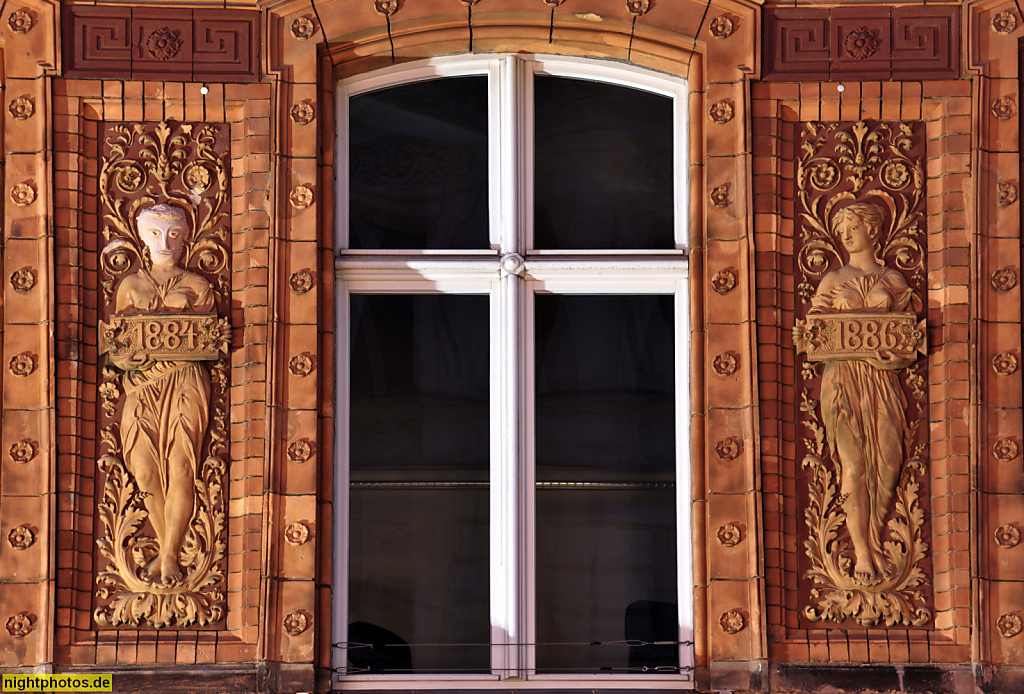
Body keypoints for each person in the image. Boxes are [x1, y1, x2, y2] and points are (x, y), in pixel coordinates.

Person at [803, 201, 921, 584]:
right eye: (842, 229)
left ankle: (876, 531)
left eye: (853, 226)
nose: (846, 234)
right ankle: (862, 553)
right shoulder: (833, 281)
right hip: (841, 382)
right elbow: (813, 335)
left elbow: (908, 341)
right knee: (852, 466)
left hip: (882, 382)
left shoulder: (894, 281)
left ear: (873, 230)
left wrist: (891, 359)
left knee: (888, 462)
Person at [110, 203, 215, 585]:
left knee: (182, 465)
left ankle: (170, 554)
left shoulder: (198, 286)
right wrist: (126, 359)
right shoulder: (130, 286)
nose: (164, 241)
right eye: (155, 233)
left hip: (185, 379)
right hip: (141, 385)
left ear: (186, 236)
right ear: (141, 236)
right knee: (143, 469)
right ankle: (163, 539)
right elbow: (117, 347)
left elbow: (209, 339)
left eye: (172, 233)